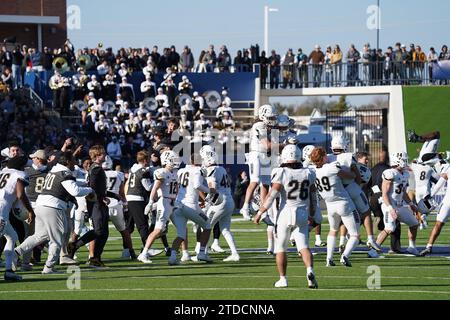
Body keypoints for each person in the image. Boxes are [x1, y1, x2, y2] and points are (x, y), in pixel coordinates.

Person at [15, 153, 93, 274]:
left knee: (39, 236)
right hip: (53, 207)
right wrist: (90, 189)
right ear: (67, 161)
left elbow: (69, 185)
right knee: (57, 238)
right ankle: (49, 267)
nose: (75, 163)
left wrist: (84, 185)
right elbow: (75, 191)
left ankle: (15, 252)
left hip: (40, 205)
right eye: (73, 160)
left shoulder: (54, 171)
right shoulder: (65, 173)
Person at [254, 145, 318, 289]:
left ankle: (283, 279)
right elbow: (313, 197)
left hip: (285, 213)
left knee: (281, 248)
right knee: (303, 246)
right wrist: (312, 214)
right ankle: (310, 271)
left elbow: (272, 196)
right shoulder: (308, 172)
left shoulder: (281, 171)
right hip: (302, 212)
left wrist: (260, 212)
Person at [310, 147, 361, 267]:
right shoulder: (332, 167)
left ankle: (329, 259)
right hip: (343, 203)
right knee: (355, 234)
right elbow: (350, 176)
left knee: (333, 231)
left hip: (330, 205)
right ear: (323, 157)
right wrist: (354, 170)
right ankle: (345, 256)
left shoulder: (312, 170)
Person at [67, 146, 109, 267]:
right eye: (102, 154)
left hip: (98, 201)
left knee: (103, 232)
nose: (105, 155)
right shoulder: (95, 169)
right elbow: (93, 185)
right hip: (96, 203)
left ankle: (96, 257)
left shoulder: (95, 168)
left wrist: (111, 195)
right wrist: (101, 198)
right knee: (99, 230)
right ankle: (77, 246)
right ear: (97, 155)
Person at [168, 153, 213, 265]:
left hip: (178, 204)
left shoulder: (181, 171)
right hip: (190, 204)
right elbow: (197, 185)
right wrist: (210, 191)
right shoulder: (197, 170)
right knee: (207, 225)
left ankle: (173, 257)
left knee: (181, 234)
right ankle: (202, 252)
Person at [138, 150, 180, 263]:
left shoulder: (175, 172)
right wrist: (151, 202)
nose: (175, 161)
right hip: (165, 203)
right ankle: (144, 253)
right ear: (166, 160)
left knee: (182, 229)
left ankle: (175, 256)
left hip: (173, 203)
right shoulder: (161, 172)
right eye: (173, 159)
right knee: (158, 229)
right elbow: (155, 188)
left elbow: (176, 190)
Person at [374, 152, 420, 256]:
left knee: (414, 224)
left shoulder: (405, 173)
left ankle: (412, 247)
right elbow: (384, 193)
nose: (405, 162)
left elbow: (403, 193)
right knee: (389, 228)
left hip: (399, 205)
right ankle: (373, 250)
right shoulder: (390, 173)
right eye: (404, 160)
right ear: (398, 161)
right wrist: (390, 208)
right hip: (388, 204)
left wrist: (411, 204)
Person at [240, 105, 279, 220]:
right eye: (270, 117)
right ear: (263, 116)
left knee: (266, 183)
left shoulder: (269, 127)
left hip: (265, 155)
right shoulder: (259, 125)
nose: (272, 120)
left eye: (273, 117)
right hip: (256, 154)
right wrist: (285, 145)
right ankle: (245, 206)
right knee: (255, 180)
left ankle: (264, 212)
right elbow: (267, 145)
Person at [0, 156, 35, 281]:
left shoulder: (2, 172)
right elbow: (20, 194)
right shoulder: (19, 174)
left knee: (12, 237)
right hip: (1, 212)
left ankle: (9, 271)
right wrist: (30, 211)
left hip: (3, 211)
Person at [202, 150, 240, 262]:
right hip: (229, 201)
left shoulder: (211, 170)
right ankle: (235, 253)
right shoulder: (221, 169)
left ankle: (202, 252)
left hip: (220, 202)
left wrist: (207, 201)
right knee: (225, 229)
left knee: (205, 226)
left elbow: (212, 188)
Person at [103, 156, 136, 260]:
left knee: (96, 231)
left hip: (102, 204)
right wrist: (125, 204)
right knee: (123, 230)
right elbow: (121, 192)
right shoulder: (118, 174)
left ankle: (92, 256)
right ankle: (131, 252)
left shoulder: (97, 172)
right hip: (115, 204)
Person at [420, 160, 450, 256]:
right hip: (447, 202)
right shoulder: (449, 169)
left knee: (438, 224)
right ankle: (429, 247)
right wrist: (431, 195)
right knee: (438, 224)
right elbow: (440, 183)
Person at [125, 151, 152, 248]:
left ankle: (127, 250)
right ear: (145, 160)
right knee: (142, 224)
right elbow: (148, 187)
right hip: (137, 198)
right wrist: (158, 183)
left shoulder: (133, 168)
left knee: (129, 226)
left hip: (130, 197)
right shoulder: (142, 171)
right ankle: (147, 248)